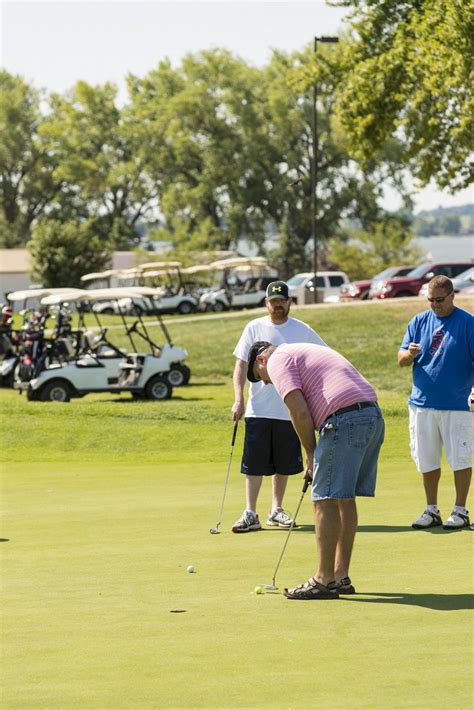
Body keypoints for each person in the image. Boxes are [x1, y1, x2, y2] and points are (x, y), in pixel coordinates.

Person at [246, 340, 384, 599]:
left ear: (260, 361)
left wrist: (310, 454)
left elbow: (299, 412)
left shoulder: (277, 359)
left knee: (324, 499)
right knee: (343, 498)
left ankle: (323, 580)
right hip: (372, 416)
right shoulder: (300, 351)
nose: (266, 383)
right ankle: (340, 576)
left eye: (260, 378)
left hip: (344, 419)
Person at [231, 280, 326, 533]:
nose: (278, 306)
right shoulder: (254, 327)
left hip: (290, 410)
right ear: (266, 303)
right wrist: (238, 399)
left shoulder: (302, 330)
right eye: (273, 302)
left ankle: (276, 510)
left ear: (289, 302)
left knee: (283, 464)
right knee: (254, 464)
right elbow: (241, 366)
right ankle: (251, 512)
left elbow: (323, 356)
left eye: (282, 301)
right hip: (258, 408)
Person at [398, 275, 473, 530]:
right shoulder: (419, 321)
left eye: (440, 300)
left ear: (452, 296)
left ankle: (460, 510)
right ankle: (432, 510)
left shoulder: (467, 323)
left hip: (457, 404)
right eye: (430, 300)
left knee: (460, 457)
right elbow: (401, 358)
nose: (435, 305)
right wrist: (410, 354)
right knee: (427, 459)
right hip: (422, 403)